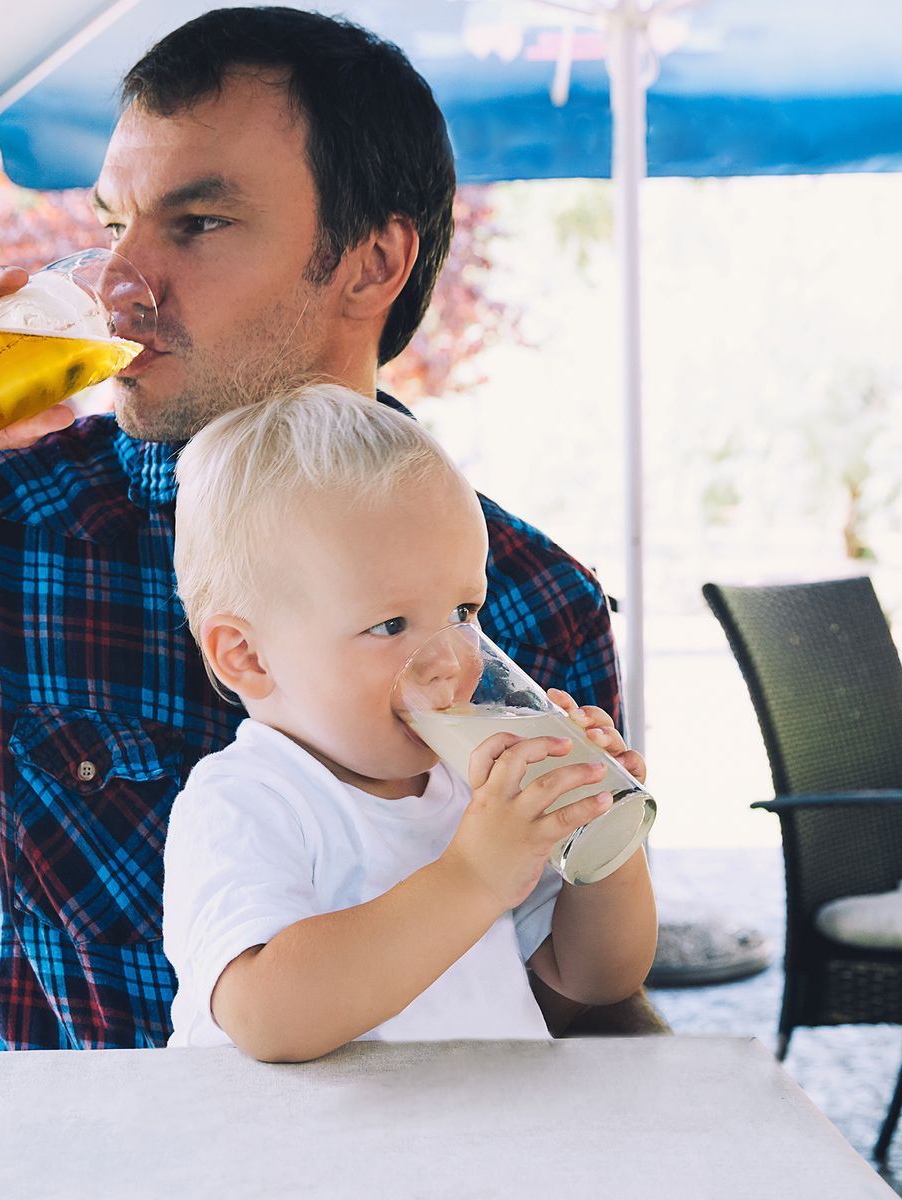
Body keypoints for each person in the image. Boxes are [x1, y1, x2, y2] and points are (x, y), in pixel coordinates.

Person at [0, 7, 641, 1050]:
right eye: (114, 228)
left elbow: (570, 999)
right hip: (67, 1140)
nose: (118, 284)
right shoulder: (2, 529)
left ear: (371, 263)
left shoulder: (532, 599)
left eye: (197, 225)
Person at [164, 385, 656, 1060]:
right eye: (391, 625)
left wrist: (601, 838)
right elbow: (267, 1018)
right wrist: (474, 876)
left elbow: (593, 980)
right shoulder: (245, 801)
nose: (450, 660)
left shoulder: (472, 789)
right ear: (248, 656)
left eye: (463, 612)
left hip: (480, 1125)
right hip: (297, 1133)